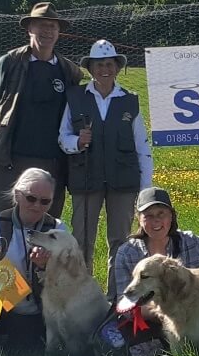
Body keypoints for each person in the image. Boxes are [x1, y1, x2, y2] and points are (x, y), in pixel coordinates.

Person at [107, 187, 199, 356]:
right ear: (139, 219)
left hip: (196, 314)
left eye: (161, 214)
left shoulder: (190, 241)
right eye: (148, 216)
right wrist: (166, 310)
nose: (155, 221)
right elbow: (126, 305)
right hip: (149, 323)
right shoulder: (127, 252)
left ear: (171, 216)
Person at [59, 39, 153, 285]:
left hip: (123, 181)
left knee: (120, 240)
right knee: (82, 239)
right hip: (85, 178)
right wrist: (77, 142)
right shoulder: (76, 97)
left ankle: (116, 295)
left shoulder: (129, 100)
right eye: (99, 64)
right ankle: (82, 293)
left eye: (109, 64)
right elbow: (63, 137)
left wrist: (146, 189)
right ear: (90, 68)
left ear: (117, 67)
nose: (105, 69)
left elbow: (142, 146)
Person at [0, 2, 80, 216]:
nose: (47, 31)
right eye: (41, 25)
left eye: (52, 27)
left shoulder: (68, 70)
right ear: (29, 29)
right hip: (12, 159)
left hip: (54, 161)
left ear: (58, 33)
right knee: (6, 219)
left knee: (46, 223)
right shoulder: (9, 63)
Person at [0, 168, 68, 353]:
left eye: (45, 201)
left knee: (24, 350)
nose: (37, 206)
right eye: (31, 198)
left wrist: (46, 267)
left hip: (41, 309)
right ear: (17, 195)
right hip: (2, 302)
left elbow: (68, 279)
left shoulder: (58, 229)